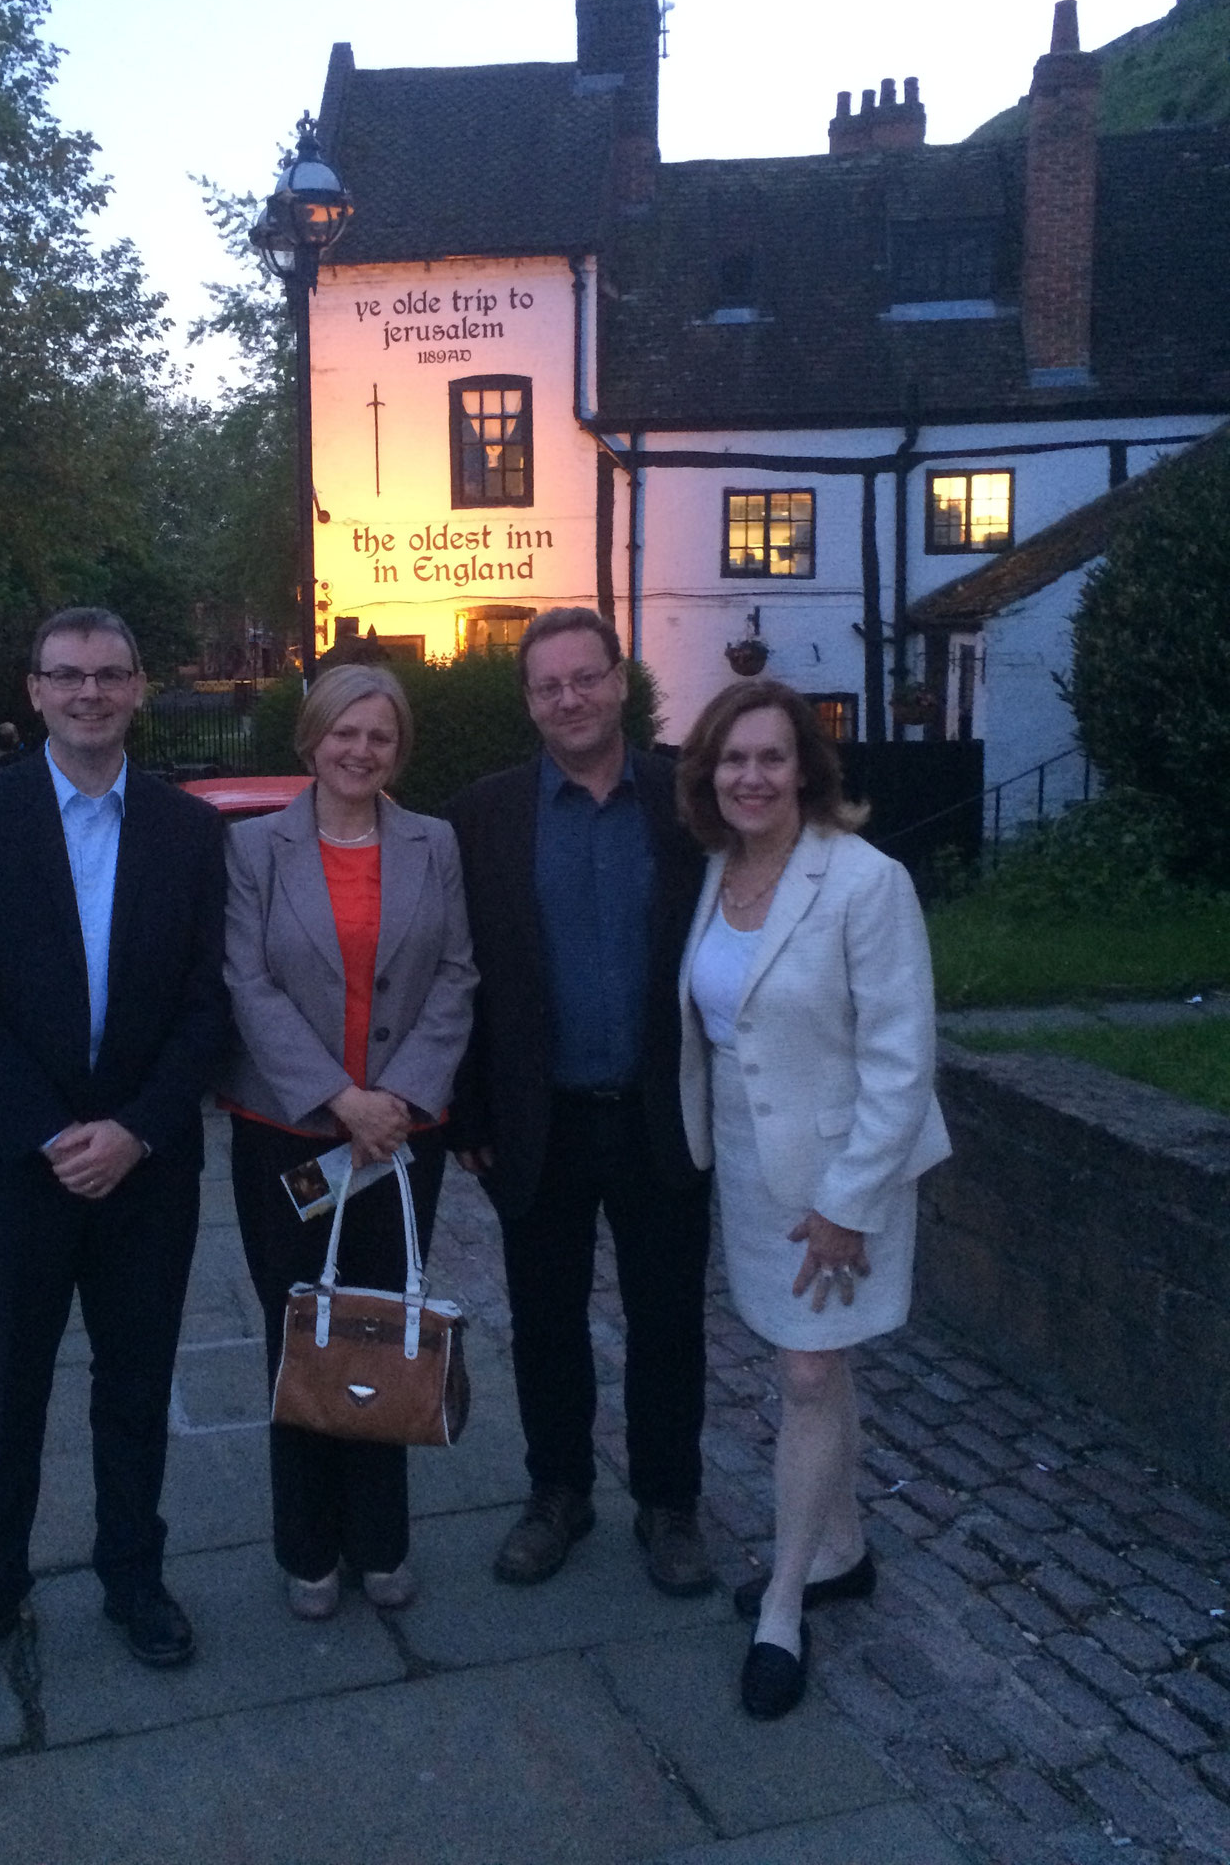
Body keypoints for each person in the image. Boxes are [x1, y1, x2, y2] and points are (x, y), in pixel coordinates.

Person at [0, 607, 230, 1698]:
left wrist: (132, 1129)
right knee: (8, 1391)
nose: (90, 692)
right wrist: (55, 1134)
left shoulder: (190, 831)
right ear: (35, 689)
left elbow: (207, 1005)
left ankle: (133, 1576)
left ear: (141, 687)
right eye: (68, 675)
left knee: (136, 1385)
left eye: (110, 675)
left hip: (146, 1169)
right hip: (13, 1167)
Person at [675, 679, 949, 1720]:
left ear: (806, 769)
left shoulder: (864, 881)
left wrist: (848, 1201)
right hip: (748, 1173)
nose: (751, 776)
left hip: (841, 1176)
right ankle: (843, 1547)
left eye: (771, 758)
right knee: (810, 1372)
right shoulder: (718, 871)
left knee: (802, 1369)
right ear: (709, 775)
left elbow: (901, 1056)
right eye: (732, 760)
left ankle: (787, 1601)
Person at [446, 608, 715, 1598]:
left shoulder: (688, 797)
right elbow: (459, 971)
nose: (569, 697)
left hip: (660, 1107)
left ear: (619, 682)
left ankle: (668, 1500)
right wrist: (467, 1110)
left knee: (669, 1318)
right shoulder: (486, 813)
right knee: (545, 1317)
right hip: (539, 1115)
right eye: (548, 684)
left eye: (584, 677)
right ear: (529, 700)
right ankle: (557, 1490)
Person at [219, 664, 475, 1618]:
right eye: (345, 734)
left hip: (403, 1139)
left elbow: (457, 976)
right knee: (304, 1333)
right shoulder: (255, 851)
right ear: (310, 740)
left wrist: (396, 1098)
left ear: (397, 748)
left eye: (380, 736)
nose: (361, 751)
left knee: (384, 1325)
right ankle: (308, 1546)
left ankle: (381, 1540)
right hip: (288, 1135)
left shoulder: (435, 843)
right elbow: (246, 985)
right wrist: (338, 1098)